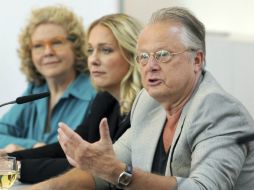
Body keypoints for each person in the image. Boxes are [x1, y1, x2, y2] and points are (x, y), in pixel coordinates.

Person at [28, 6, 254, 190]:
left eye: (163, 55)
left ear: (197, 60)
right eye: (143, 57)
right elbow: (101, 174)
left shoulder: (221, 111)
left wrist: (115, 172)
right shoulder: (147, 101)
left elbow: (203, 188)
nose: (150, 66)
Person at [8, 13, 142, 184]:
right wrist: (10, 158)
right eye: (90, 50)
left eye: (106, 50)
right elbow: (67, 150)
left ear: (133, 54)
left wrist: (11, 167)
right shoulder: (104, 101)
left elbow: (92, 169)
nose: (93, 60)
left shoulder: (145, 106)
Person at [0, 5, 96, 152]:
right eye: (38, 46)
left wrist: (30, 150)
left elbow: (76, 153)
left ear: (76, 46)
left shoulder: (95, 92)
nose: (48, 52)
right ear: (29, 53)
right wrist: (32, 146)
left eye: (56, 42)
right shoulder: (35, 90)